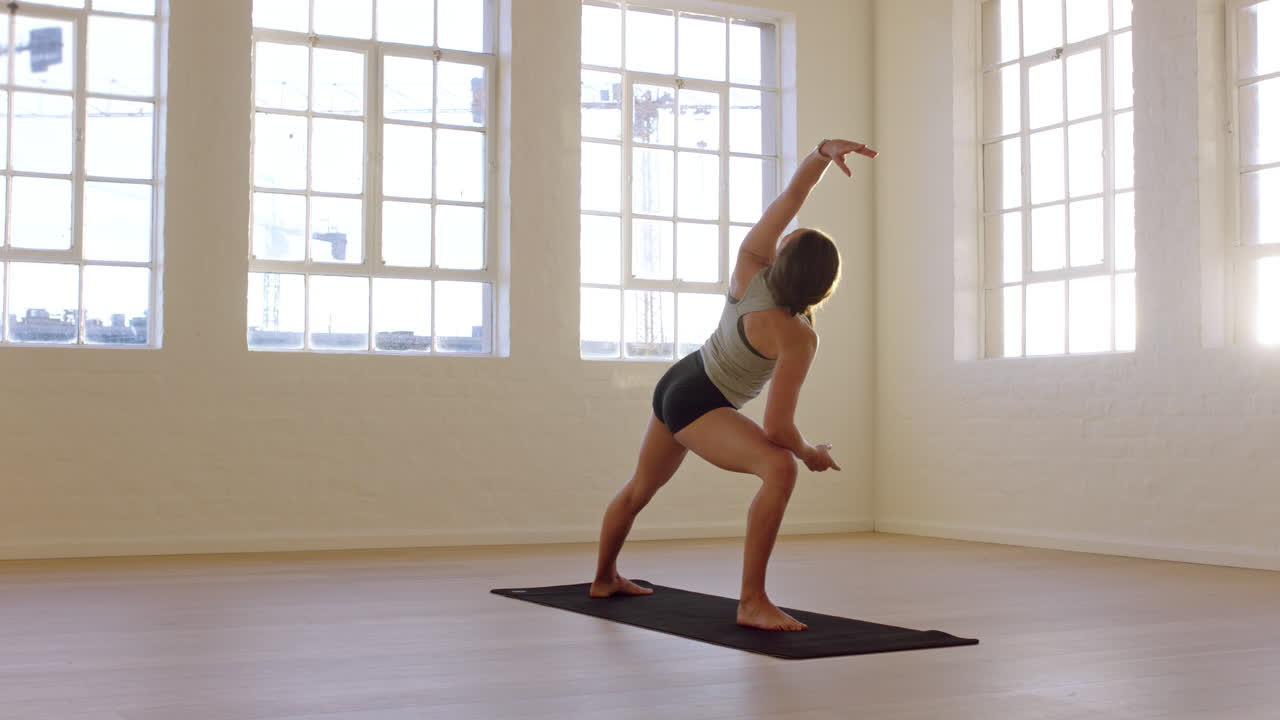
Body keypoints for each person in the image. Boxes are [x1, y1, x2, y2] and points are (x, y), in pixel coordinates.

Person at [589, 138, 878, 631]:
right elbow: (779, 426)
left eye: (789, 237)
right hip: (701, 402)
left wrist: (820, 155)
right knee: (781, 468)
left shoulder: (749, 270)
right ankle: (751, 602)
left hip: (679, 381)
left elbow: (791, 196)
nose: (784, 231)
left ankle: (603, 578)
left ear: (783, 261)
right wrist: (810, 453)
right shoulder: (799, 336)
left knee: (640, 488)